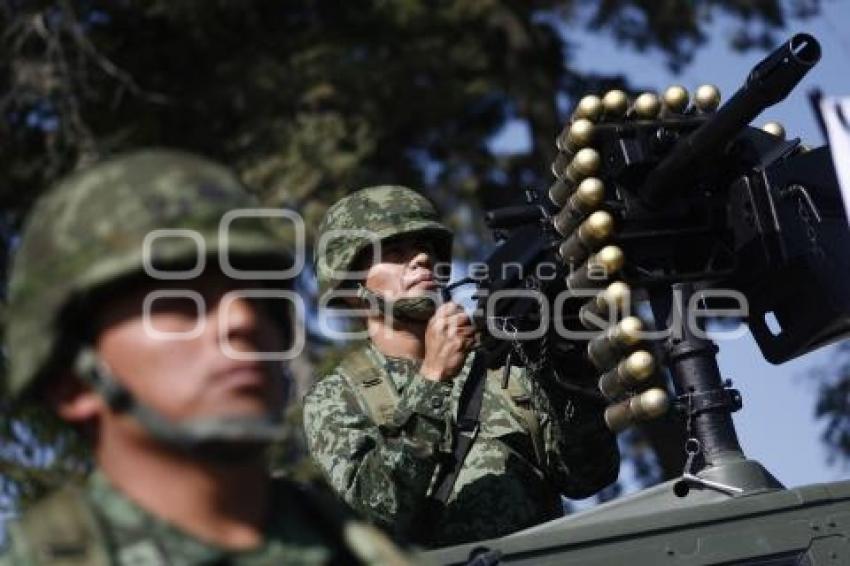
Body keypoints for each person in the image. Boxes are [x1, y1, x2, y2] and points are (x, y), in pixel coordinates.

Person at [0, 150, 411, 565]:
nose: (243, 320)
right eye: (181, 303)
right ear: (72, 386)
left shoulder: (366, 551)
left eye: (257, 296)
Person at [303, 185, 620, 547]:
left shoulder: (502, 366)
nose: (422, 259)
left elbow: (589, 475)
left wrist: (566, 363)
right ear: (349, 287)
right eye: (395, 252)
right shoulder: (337, 396)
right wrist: (433, 379)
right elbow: (381, 507)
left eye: (427, 249)